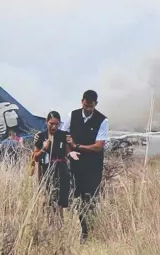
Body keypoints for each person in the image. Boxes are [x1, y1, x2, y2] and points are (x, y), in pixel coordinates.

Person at [61, 90, 109, 241]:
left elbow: (98, 146)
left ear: (96, 104)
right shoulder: (72, 116)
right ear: (82, 101)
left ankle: (89, 233)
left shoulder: (102, 120)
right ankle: (75, 231)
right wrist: (69, 152)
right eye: (86, 105)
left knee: (90, 199)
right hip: (75, 165)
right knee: (74, 198)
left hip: (93, 167)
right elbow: (63, 136)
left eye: (91, 106)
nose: (88, 109)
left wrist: (77, 146)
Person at [33, 111, 80, 222]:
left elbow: (67, 152)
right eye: (51, 123)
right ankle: (49, 223)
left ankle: (60, 224)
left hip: (61, 169)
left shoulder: (63, 135)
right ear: (46, 122)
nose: (54, 126)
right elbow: (36, 157)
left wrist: (71, 154)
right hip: (46, 169)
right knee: (48, 198)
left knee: (60, 200)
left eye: (57, 124)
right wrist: (44, 149)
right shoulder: (40, 136)